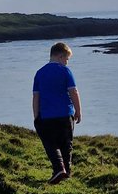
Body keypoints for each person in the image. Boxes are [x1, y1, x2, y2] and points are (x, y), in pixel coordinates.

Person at [32, 42, 82, 184]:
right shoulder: (65, 71)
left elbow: (36, 96)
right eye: (67, 59)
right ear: (60, 56)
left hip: (46, 115)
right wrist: (78, 111)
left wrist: (36, 116)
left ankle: (59, 170)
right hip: (65, 114)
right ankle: (65, 171)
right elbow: (73, 92)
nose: (67, 62)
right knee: (66, 144)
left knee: (51, 144)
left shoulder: (40, 73)